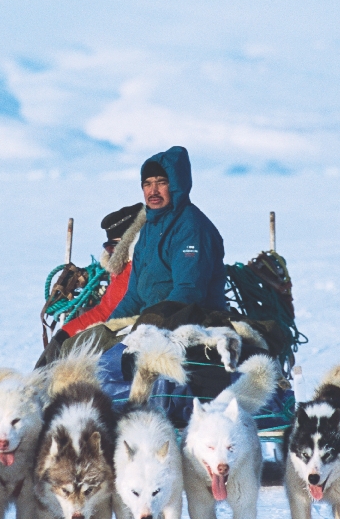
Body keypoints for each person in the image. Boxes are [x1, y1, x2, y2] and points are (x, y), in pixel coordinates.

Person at [109, 146, 227, 319]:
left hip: (192, 319)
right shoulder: (149, 229)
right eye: (147, 184)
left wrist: (149, 321)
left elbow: (188, 290)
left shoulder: (191, 228)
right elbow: (133, 295)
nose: (153, 191)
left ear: (176, 185)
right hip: (152, 319)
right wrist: (107, 326)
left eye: (161, 182)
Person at [35, 202, 145, 368]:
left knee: (68, 350)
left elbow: (110, 311)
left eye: (116, 247)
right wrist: (65, 332)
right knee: (61, 342)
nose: (112, 254)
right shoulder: (121, 268)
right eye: (108, 248)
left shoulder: (135, 267)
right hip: (118, 325)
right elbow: (104, 309)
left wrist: (67, 337)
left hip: (132, 331)